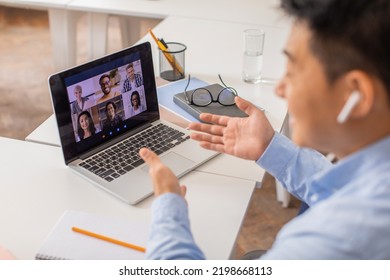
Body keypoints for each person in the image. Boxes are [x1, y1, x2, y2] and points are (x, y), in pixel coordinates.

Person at [139, 0, 390, 259]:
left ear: (357, 95)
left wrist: (169, 206)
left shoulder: (331, 242)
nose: (280, 89)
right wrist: (270, 146)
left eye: (293, 71)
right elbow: (338, 189)